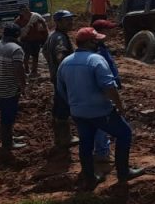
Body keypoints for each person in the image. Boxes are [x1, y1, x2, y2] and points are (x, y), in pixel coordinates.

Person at [56, 27, 144, 188]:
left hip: (78, 112)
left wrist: (73, 104)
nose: (99, 43)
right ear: (90, 42)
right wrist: (120, 107)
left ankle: (90, 178)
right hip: (100, 111)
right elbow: (109, 87)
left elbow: (61, 88)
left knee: (86, 143)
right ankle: (123, 172)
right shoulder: (96, 60)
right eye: (96, 40)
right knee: (124, 134)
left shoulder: (66, 62)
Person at [42, 10, 79, 150]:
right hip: (63, 79)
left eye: (71, 19)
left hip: (57, 77)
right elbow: (61, 57)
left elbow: (45, 51)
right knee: (63, 108)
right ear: (58, 22)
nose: (70, 22)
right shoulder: (60, 38)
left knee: (58, 106)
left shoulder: (52, 35)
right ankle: (64, 138)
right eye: (66, 20)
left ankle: (60, 137)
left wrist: (53, 68)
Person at [0, 23, 27, 151]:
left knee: (4, 113)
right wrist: (23, 85)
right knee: (8, 116)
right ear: (17, 35)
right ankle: (7, 143)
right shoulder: (16, 49)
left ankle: (10, 137)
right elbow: (19, 69)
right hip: (9, 88)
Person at [91, 19, 122, 164]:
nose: (112, 32)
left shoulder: (101, 47)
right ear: (101, 32)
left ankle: (102, 149)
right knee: (101, 122)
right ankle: (102, 153)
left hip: (105, 90)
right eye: (108, 29)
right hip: (103, 91)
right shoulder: (97, 51)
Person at [15, 3, 49, 77]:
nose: (25, 11)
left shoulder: (36, 17)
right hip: (25, 41)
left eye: (26, 9)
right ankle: (26, 69)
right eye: (23, 10)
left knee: (35, 56)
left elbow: (44, 27)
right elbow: (16, 31)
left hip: (36, 40)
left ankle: (34, 71)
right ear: (20, 12)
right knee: (26, 55)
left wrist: (45, 37)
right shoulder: (18, 21)